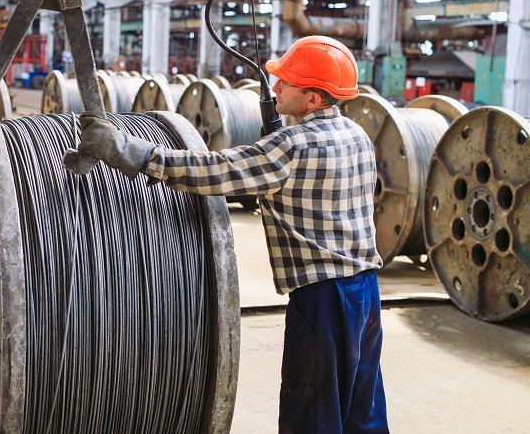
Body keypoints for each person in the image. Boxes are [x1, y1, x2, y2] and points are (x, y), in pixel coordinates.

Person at [77, 35, 389, 433]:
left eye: (287, 82)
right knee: (362, 409)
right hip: (365, 293)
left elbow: (218, 171)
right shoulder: (357, 135)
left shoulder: (291, 147)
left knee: (312, 411)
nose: (276, 86)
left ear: (313, 98)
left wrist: (133, 152)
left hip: (323, 299)